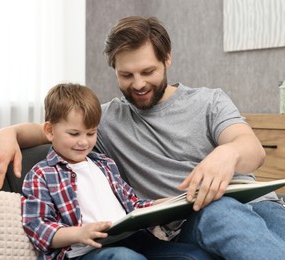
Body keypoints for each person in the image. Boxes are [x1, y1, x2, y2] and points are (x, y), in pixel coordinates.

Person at [0, 16, 285, 259]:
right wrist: (5, 133)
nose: (138, 83)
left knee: (222, 209)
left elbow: (252, 149)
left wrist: (226, 155)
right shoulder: (106, 120)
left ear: (166, 60)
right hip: (186, 228)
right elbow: (50, 130)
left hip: (255, 212)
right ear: (114, 70)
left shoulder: (209, 100)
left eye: (148, 71)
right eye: (126, 75)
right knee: (212, 213)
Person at [22, 83, 209, 260]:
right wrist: (79, 233)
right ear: (49, 130)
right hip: (86, 251)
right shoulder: (42, 174)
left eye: (91, 133)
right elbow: (38, 227)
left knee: (194, 255)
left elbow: (132, 206)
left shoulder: (104, 164)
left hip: (135, 240)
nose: (84, 142)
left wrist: (166, 205)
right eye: (74, 134)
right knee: (125, 258)